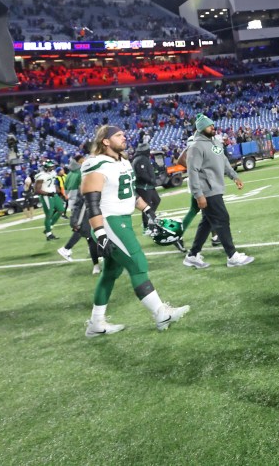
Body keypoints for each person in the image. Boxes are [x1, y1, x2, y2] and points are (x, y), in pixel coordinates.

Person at [81, 124, 189, 337]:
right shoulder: (96, 164)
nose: (124, 137)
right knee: (138, 263)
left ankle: (96, 324)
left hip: (122, 220)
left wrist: (147, 209)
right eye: (118, 135)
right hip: (109, 223)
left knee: (111, 273)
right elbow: (92, 204)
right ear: (105, 141)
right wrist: (100, 234)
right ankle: (160, 312)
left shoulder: (123, 161)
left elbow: (129, 193)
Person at [182, 114, 253, 269]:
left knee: (207, 222)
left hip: (216, 187)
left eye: (213, 125)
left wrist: (234, 176)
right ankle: (232, 256)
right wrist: (198, 194)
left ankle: (192, 255)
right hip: (207, 190)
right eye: (209, 126)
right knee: (221, 219)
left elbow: (224, 161)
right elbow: (192, 172)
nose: (213, 127)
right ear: (201, 129)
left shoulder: (216, 142)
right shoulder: (196, 146)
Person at [57, 153, 103, 274]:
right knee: (83, 229)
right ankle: (66, 248)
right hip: (84, 203)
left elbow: (66, 186)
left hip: (74, 200)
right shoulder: (80, 173)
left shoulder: (70, 173)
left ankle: (92, 253)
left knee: (85, 231)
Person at [34, 160, 66, 241]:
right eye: (50, 167)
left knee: (61, 210)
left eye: (52, 166)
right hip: (46, 196)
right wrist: (48, 194)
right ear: (45, 168)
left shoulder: (53, 173)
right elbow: (36, 190)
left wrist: (59, 192)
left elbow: (53, 183)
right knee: (49, 215)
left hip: (54, 194)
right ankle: (49, 234)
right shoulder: (41, 176)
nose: (52, 168)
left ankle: (49, 227)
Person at [132, 142, 161, 216]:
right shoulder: (141, 159)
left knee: (156, 200)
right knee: (147, 206)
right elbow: (142, 174)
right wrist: (151, 180)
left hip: (148, 186)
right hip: (144, 186)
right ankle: (147, 223)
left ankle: (151, 217)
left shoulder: (141, 158)